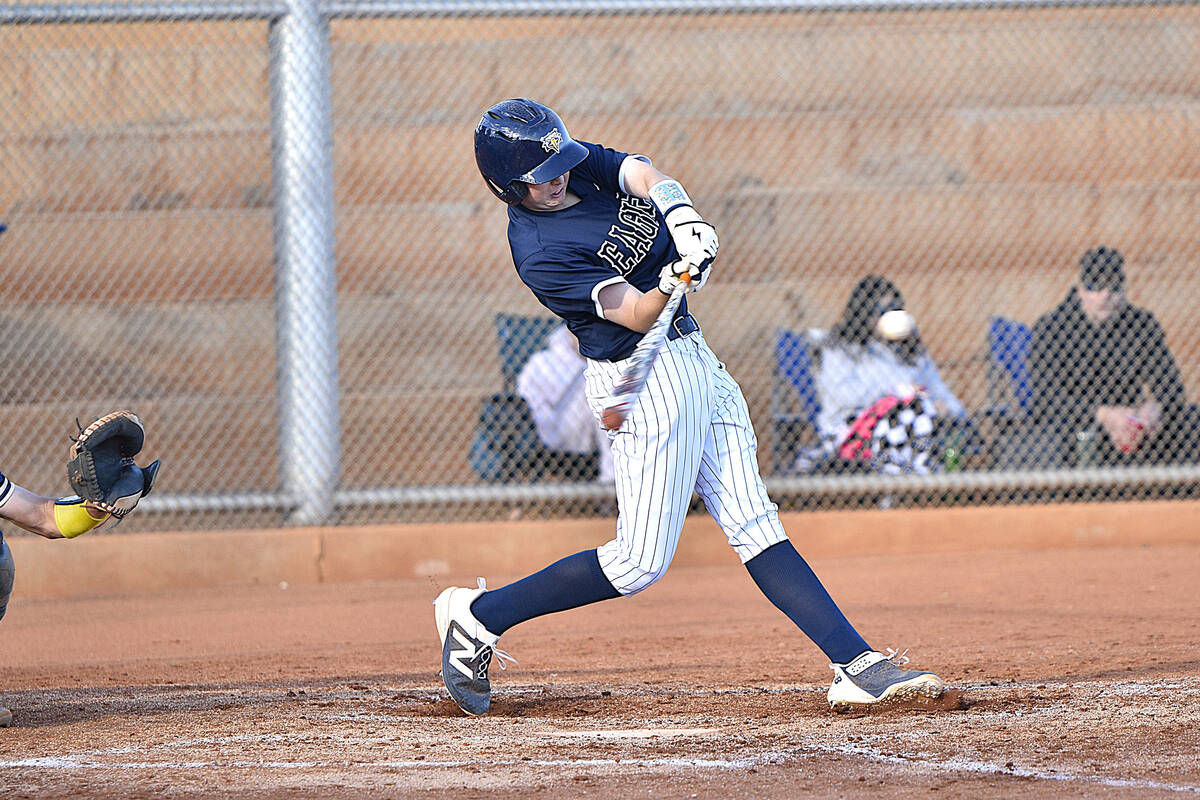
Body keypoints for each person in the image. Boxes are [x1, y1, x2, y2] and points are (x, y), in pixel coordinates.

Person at [433, 98, 945, 716]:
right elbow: (634, 312)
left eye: (561, 164)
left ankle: (855, 664)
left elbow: (639, 171)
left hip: (694, 358)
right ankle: (479, 617)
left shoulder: (571, 167)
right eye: (543, 177)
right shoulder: (541, 250)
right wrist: (673, 278)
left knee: (755, 521)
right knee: (637, 563)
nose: (560, 177)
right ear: (508, 187)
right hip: (643, 378)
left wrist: (682, 215)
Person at [1027, 246, 1198, 468]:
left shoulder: (1141, 324)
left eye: (1114, 286)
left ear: (1124, 289)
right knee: (1057, 429)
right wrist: (1104, 416)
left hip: (1131, 423)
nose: (1105, 295)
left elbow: (1171, 386)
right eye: (1095, 286)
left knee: (1191, 418)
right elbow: (1045, 397)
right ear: (1080, 291)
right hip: (1080, 423)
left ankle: (1181, 487)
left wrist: (1152, 411)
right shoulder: (1052, 327)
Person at [812, 275, 971, 474]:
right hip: (854, 430)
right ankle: (913, 477)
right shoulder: (840, 348)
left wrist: (952, 410)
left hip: (918, 422)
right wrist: (898, 391)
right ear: (863, 313)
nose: (889, 316)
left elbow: (938, 388)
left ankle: (920, 476)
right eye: (881, 311)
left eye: (895, 309)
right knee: (912, 408)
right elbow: (845, 396)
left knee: (923, 411)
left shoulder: (910, 350)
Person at [517, 325, 614, 484]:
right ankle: (610, 482)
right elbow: (526, 407)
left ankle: (610, 481)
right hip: (547, 434)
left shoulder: (607, 364)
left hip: (595, 433)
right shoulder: (541, 362)